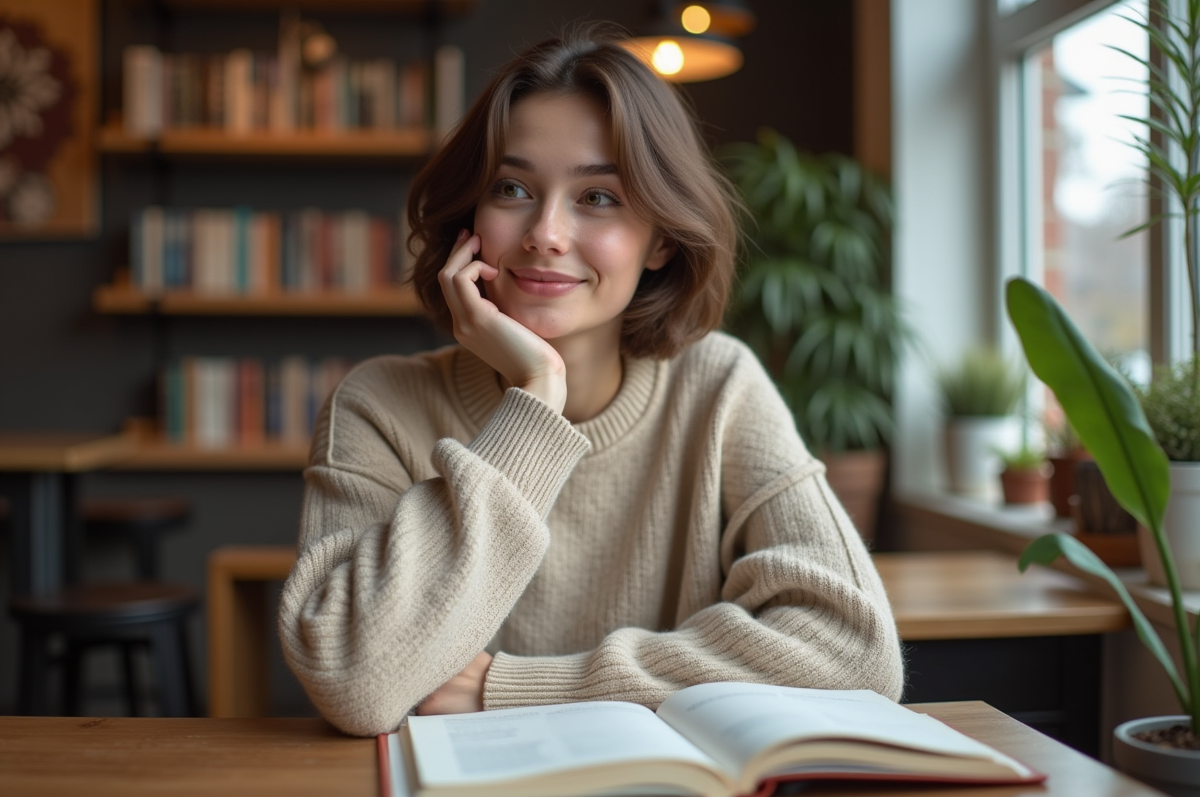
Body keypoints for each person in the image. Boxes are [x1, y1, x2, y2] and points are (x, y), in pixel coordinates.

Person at [278, 23, 904, 737]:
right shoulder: (378, 405)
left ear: (662, 237)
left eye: (598, 197)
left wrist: (525, 686)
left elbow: (857, 654)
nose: (545, 232)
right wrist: (536, 396)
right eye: (511, 188)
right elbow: (354, 679)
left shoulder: (718, 385)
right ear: (469, 220)